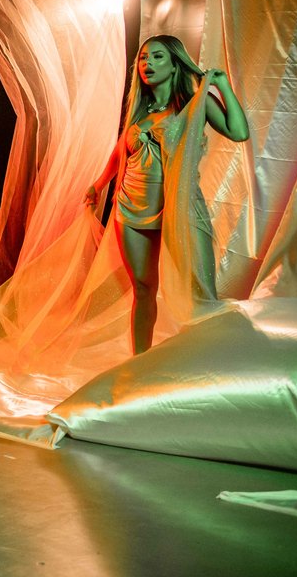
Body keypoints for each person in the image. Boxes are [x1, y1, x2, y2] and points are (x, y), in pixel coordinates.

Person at [85, 35, 248, 355]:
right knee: (143, 289)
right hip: (131, 207)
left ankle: (207, 361)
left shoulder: (195, 104)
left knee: (200, 291)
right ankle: (140, 361)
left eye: (158, 56)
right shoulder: (139, 112)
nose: (148, 63)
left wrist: (222, 87)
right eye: (143, 58)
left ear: (175, 64)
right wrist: (99, 184)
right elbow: (121, 152)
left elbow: (239, 132)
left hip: (181, 207)